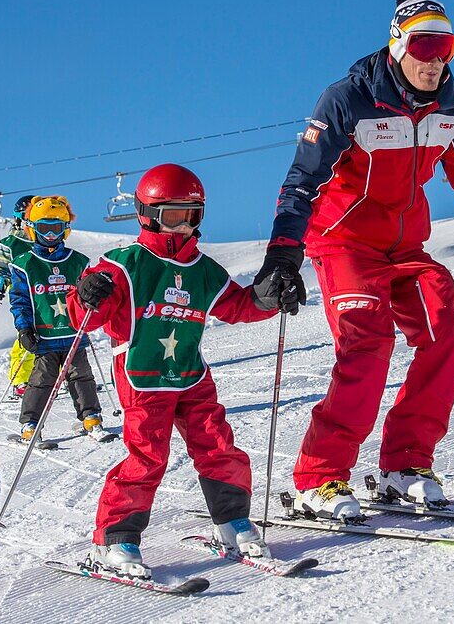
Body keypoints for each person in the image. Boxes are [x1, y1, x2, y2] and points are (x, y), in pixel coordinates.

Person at [252, 0, 454, 519]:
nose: (434, 60)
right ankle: (319, 477)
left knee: (447, 333)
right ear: (397, 45)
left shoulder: (452, 104)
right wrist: (283, 255)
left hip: (404, 247)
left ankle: (405, 464)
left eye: (446, 47)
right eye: (423, 47)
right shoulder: (349, 98)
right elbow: (302, 181)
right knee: (367, 345)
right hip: (344, 242)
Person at [67, 164, 298, 579]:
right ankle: (115, 539)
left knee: (218, 445)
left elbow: (237, 306)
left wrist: (266, 299)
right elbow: (87, 316)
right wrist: (85, 296)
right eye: (173, 215)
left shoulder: (205, 270)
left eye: (192, 216)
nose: (184, 226)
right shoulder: (122, 265)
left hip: (192, 375)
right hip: (142, 377)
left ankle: (232, 522)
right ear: (147, 213)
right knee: (148, 455)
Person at [8, 195, 104, 441]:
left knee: (81, 376)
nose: (50, 235)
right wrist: (24, 329)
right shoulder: (24, 265)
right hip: (45, 336)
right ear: (33, 229)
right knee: (41, 381)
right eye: (44, 229)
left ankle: (90, 416)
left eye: (56, 229)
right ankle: (30, 423)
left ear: (65, 230)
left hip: (74, 335)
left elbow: (87, 292)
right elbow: (20, 301)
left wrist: (92, 300)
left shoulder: (78, 262)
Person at [0, 194, 36, 398]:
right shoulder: (10, 243)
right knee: (26, 335)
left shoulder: (46, 237)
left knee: (56, 333)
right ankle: (21, 379)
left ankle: (60, 373)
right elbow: (0, 267)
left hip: (49, 293)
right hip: (23, 295)